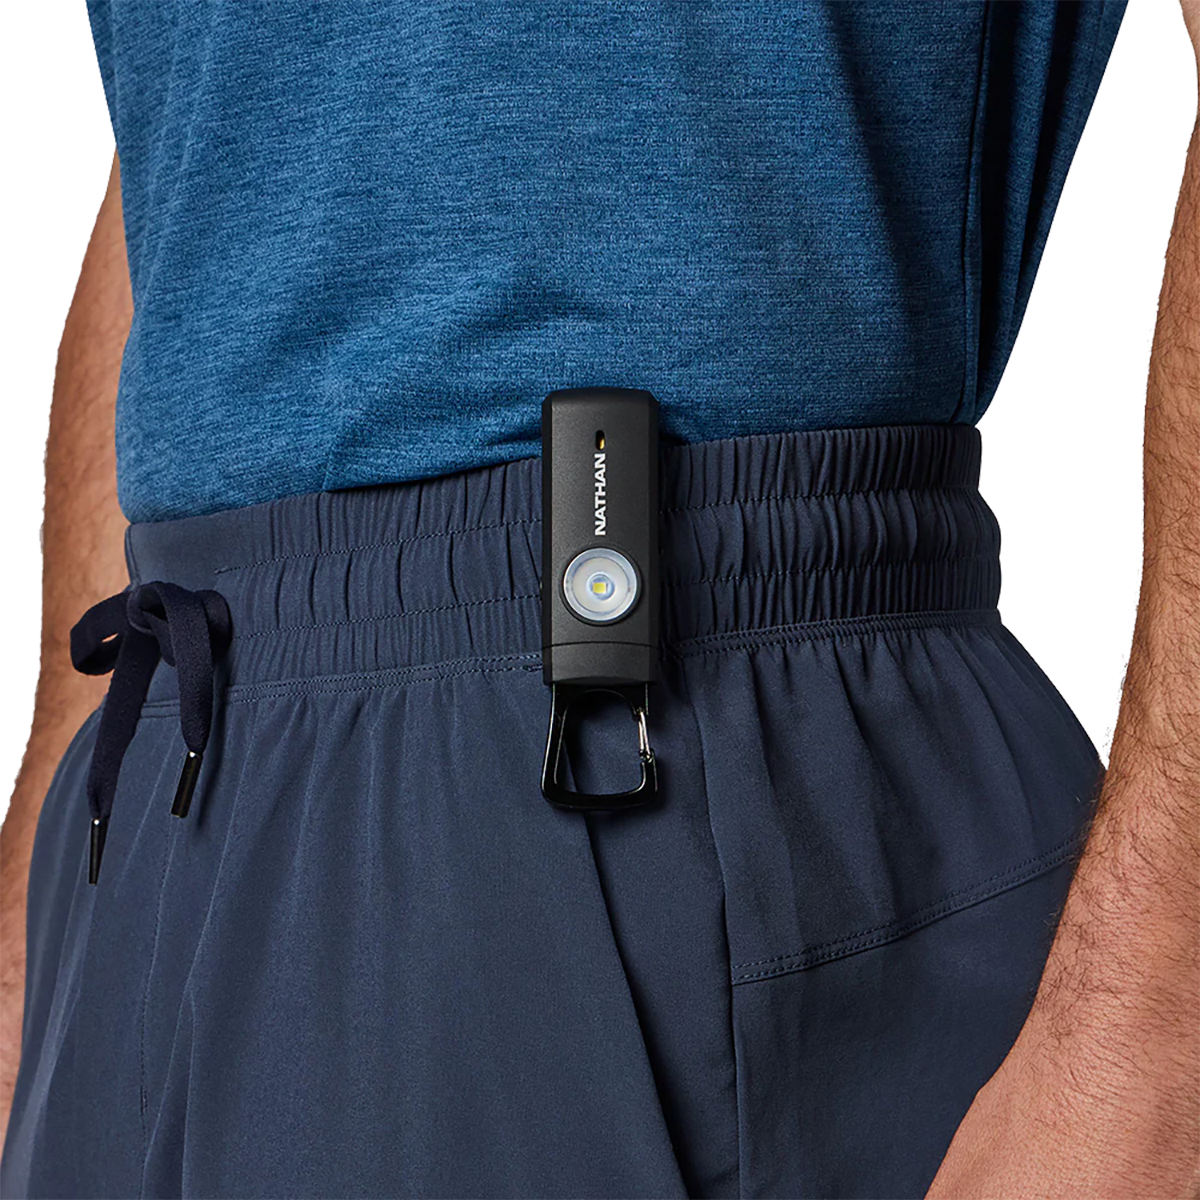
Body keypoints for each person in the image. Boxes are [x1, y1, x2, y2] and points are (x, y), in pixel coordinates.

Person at [2, 1, 1194, 1196]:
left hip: (651, 732)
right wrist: (40, 917)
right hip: (157, 795)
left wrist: (1147, 1034)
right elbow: (210, 128)